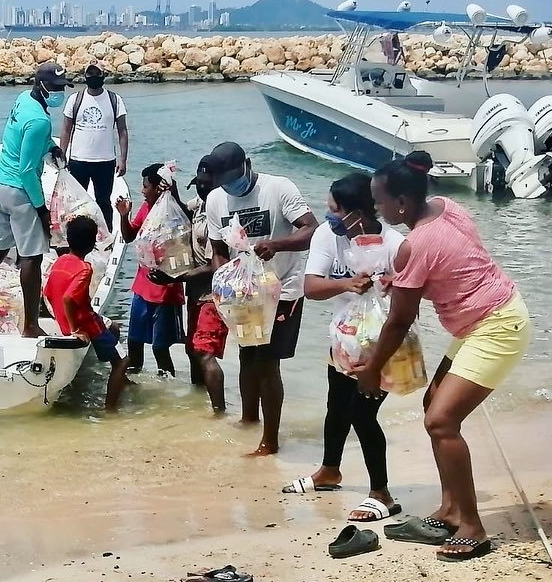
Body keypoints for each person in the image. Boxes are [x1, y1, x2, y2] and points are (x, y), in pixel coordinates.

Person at [356, 150, 531, 563]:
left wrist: (372, 370)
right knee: (432, 404)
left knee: (441, 420)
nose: (377, 208)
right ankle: (451, 510)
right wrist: (399, 279)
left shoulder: (413, 244)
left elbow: (399, 322)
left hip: (497, 326)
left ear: (401, 201)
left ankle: (472, 526)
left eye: (380, 200)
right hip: (487, 317)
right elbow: (449, 261)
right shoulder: (446, 207)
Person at [281, 172, 405, 524]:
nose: (328, 213)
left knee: (362, 415)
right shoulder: (326, 235)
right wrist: (346, 283)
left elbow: (412, 293)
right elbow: (311, 287)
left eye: (335, 208)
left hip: (384, 344)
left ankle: (381, 492)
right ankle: (329, 472)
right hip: (345, 338)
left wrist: (390, 283)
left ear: (355, 211)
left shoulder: (394, 243)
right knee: (336, 406)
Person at [205, 142, 318, 455]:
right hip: (243, 294)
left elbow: (311, 229)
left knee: (268, 362)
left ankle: (270, 441)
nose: (231, 185)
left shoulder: (279, 188)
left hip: (283, 289)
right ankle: (248, 419)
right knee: (248, 357)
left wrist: (278, 244)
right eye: (224, 180)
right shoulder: (216, 200)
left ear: (248, 164)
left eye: (235, 177)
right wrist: (223, 280)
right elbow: (217, 250)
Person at [0, 61, 71, 338]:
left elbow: (22, 142)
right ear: (41, 85)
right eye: (54, 88)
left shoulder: (23, 100)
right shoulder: (40, 121)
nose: (58, 93)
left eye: (61, 88)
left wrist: (52, 147)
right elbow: (27, 171)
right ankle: (30, 326)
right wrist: (41, 210)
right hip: (18, 192)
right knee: (31, 258)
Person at [43, 216, 130, 410]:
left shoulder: (60, 261)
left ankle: (119, 379)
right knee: (124, 360)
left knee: (114, 328)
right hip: (86, 324)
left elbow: (47, 292)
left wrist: (62, 319)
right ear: (92, 245)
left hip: (67, 320)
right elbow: (69, 298)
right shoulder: (85, 269)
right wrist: (74, 328)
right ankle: (111, 408)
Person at [115, 163, 185, 377]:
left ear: (158, 188)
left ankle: (167, 394)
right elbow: (129, 237)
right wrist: (124, 216)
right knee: (134, 343)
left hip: (165, 292)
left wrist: (175, 195)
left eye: (146, 186)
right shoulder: (146, 208)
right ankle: (135, 393)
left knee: (159, 348)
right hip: (142, 288)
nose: (142, 191)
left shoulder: (174, 212)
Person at [59, 62, 129, 229]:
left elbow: (122, 131)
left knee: (103, 201)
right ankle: (75, 236)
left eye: (97, 74)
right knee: (76, 202)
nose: (93, 78)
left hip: (105, 161)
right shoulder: (75, 99)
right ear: (85, 77)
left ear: (103, 76)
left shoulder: (115, 100)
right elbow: (66, 130)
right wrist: (62, 155)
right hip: (78, 160)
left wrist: (123, 159)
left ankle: (106, 236)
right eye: (90, 75)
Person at [182, 155, 220, 390]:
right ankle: (197, 403)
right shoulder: (198, 205)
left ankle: (219, 412)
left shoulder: (219, 212)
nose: (203, 188)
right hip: (196, 293)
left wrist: (178, 277)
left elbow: (214, 265)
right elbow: (181, 217)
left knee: (204, 352)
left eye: (208, 183)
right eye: (200, 183)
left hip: (213, 295)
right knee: (192, 348)